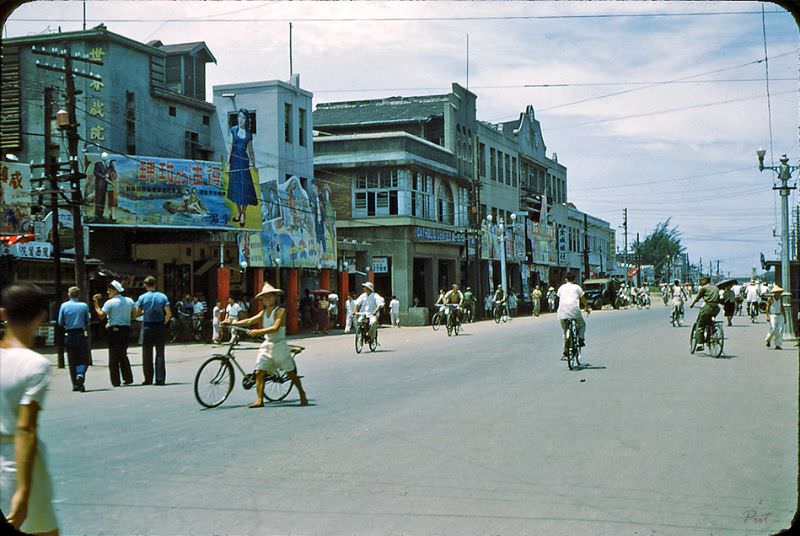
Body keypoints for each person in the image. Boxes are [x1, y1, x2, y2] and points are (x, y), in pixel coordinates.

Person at [0, 284, 60, 535]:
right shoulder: (36, 365)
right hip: (17, 465)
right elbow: (25, 428)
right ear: (42, 315)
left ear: (2, 314)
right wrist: (24, 492)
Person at [224, 282, 308, 408]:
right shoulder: (263, 313)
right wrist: (232, 323)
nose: (268, 299)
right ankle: (259, 399)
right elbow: (250, 321)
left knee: (290, 373)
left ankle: (302, 393)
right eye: (265, 297)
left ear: (275, 298)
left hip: (279, 344)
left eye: (270, 296)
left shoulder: (280, 311)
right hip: (267, 344)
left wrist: (258, 331)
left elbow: (275, 327)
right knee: (259, 371)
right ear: (262, 300)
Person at [92, 280, 135, 387]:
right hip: (126, 329)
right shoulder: (129, 301)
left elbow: (101, 315)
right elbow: (133, 315)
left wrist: (96, 304)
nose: (107, 292)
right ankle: (128, 378)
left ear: (114, 291)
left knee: (114, 356)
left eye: (109, 290)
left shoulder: (110, 302)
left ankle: (116, 381)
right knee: (123, 354)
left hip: (114, 330)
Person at [134, 276, 172, 385]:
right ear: (155, 284)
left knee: (147, 353)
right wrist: (163, 322)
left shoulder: (142, 298)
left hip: (147, 326)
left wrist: (143, 313)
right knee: (160, 353)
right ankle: (160, 379)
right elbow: (168, 314)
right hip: (159, 326)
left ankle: (148, 379)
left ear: (145, 285)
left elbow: (137, 313)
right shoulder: (163, 297)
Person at [227, 108, 258, 227]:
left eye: (243, 118)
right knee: (235, 187)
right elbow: (230, 147)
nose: (241, 120)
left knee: (245, 188)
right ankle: (238, 211)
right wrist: (228, 163)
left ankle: (243, 213)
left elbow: (250, 150)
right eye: (239, 117)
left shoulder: (249, 135)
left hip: (244, 162)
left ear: (247, 120)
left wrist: (253, 163)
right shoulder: (233, 130)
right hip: (235, 160)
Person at [57, 287, 91, 392]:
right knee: (83, 358)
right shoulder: (84, 306)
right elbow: (87, 321)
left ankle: (75, 384)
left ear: (69, 294)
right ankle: (80, 374)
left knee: (72, 360)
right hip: (80, 333)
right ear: (79, 294)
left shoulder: (64, 306)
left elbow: (60, 321)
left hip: (69, 334)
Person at [557, 273, 591, 359]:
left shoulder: (561, 288)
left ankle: (565, 351)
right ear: (574, 279)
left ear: (566, 279)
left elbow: (559, 298)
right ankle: (581, 338)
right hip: (574, 311)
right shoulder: (577, 287)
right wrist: (587, 308)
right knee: (582, 325)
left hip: (562, 312)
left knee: (565, 331)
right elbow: (583, 299)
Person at [689, 276, 720, 351]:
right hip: (716, 308)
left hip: (708, 307)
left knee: (700, 325)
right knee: (709, 322)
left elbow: (697, 298)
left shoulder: (703, 288)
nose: (700, 282)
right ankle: (711, 331)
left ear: (705, 280)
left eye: (701, 280)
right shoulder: (716, 288)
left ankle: (700, 344)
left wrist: (692, 304)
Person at [765, 285, 785, 350]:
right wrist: (767, 316)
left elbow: (782, 307)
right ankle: (768, 339)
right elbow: (767, 308)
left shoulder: (781, 299)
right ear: (774, 293)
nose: (778, 293)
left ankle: (778, 344)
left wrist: (784, 317)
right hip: (773, 315)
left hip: (780, 315)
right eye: (777, 292)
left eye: (779, 292)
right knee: (773, 329)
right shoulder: (770, 299)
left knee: (780, 330)